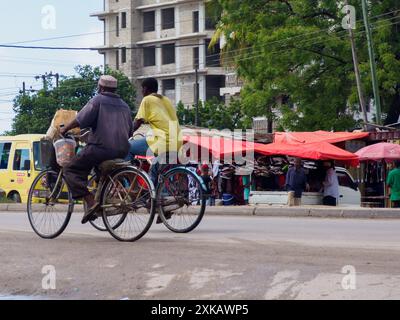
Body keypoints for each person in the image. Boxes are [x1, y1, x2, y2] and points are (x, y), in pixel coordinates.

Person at [60, 75, 134, 224]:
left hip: (101, 148)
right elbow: (130, 131)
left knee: (70, 169)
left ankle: (90, 201)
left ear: (100, 88)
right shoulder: (125, 106)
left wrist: (65, 129)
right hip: (123, 150)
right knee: (98, 167)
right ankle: (101, 197)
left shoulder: (98, 100)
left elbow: (80, 119)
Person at [126, 77, 182, 184]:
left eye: (142, 89)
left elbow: (137, 123)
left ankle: (133, 183)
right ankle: (153, 195)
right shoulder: (166, 100)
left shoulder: (147, 99)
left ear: (145, 89)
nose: (142, 92)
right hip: (177, 141)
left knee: (126, 148)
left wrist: (124, 136)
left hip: (163, 141)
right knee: (155, 174)